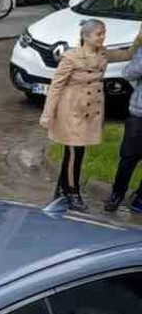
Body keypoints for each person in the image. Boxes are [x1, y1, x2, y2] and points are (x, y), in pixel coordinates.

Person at [41, 18, 120, 212]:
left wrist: (138, 41)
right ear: (86, 36)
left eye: (104, 33)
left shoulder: (102, 53)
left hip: (90, 111)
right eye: (98, 34)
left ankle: (61, 189)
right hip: (72, 110)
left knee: (77, 151)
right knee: (75, 151)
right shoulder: (71, 57)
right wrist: (47, 113)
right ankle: (72, 192)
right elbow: (56, 86)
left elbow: (124, 54)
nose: (102, 37)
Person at [105, 28, 142, 212]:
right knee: (129, 156)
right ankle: (117, 193)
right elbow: (128, 74)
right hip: (139, 114)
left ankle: (139, 197)